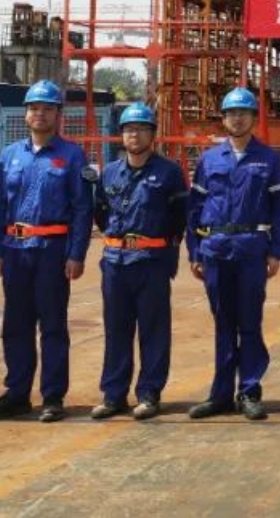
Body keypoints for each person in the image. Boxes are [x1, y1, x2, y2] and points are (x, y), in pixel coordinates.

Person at [0, 80, 93, 422]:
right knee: (16, 324)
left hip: (52, 251)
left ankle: (52, 396)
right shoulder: (10, 156)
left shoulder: (72, 156)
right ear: (25, 114)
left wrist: (76, 254)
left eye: (47, 108)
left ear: (59, 115)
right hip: (15, 250)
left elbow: (82, 209)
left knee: (53, 325)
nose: (40, 114)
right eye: (34, 108)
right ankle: (16, 393)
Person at [185, 86, 280, 421]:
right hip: (215, 249)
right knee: (223, 323)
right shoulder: (209, 160)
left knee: (249, 322)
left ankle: (249, 391)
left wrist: (277, 251)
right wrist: (194, 251)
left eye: (243, 113)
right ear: (224, 118)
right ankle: (220, 395)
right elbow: (195, 207)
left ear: (253, 118)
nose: (237, 118)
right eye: (231, 113)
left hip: (251, 249)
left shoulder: (269, 159)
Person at [90, 102, 187, 421]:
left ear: (152, 134)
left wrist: (166, 253)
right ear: (121, 135)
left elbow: (179, 217)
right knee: (116, 329)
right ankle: (113, 395)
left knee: (153, 330)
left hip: (151, 261)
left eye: (142, 129)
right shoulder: (110, 173)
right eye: (129, 129)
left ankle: (149, 393)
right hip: (115, 262)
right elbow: (101, 212)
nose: (135, 135)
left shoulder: (169, 173)